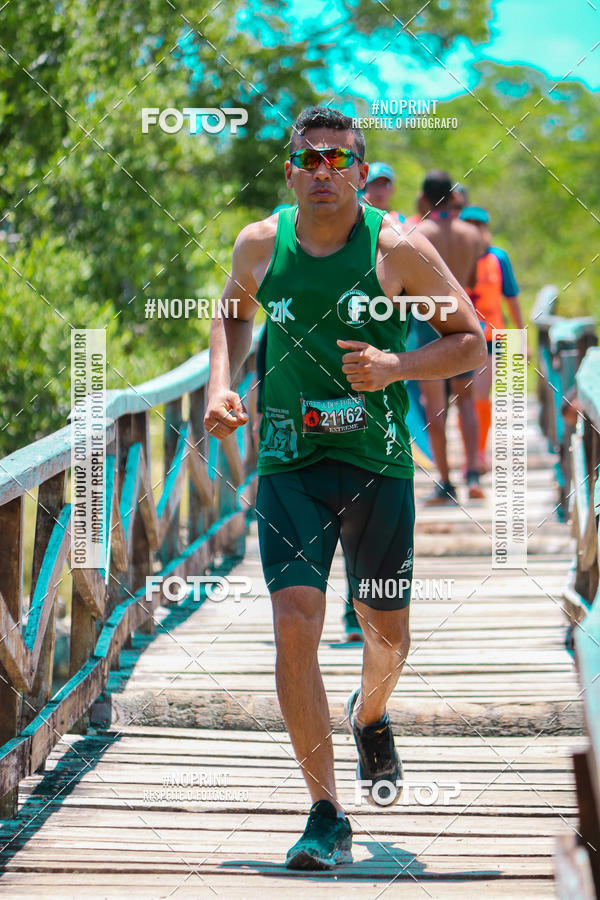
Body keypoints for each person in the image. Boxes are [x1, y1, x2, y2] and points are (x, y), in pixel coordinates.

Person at [204, 105, 486, 871]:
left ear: (362, 173)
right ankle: (325, 812)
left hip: (380, 463)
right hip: (289, 463)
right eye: (309, 160)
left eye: (339, 160)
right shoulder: (261, 244)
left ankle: (371, 713)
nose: (322, 172)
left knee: (383, 631)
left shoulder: (397, 249)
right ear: (289, 171)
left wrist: (397, 367)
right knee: (296, 620)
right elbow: (230, 317)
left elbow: (469, 341)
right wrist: (221, 387)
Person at [411, 170, 486, 503]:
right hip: (463, 318)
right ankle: (473, 474)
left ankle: (445, 482)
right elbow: (469, 278)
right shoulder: (473, 235)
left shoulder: (416, 233)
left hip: (428, 321)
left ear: (425, 199)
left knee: (434, 408)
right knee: (465, 402)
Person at [459, 206, 526, 471]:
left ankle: (478, 454)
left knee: (479, 395)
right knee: (462, 397)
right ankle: (470, 453)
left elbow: (512, 299)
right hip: (460, 335)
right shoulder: (454, 255)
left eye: (479, 224)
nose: (475, 229)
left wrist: (522, 341)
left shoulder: (499, 258)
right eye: (469, 224)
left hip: (490, 336)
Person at [361, 161, 404, 225]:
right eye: (375, 184)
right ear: (365, 187)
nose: (380, 190)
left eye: (385, 184)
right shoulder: (355, 216)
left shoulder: (400, 220)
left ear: (392, 190)